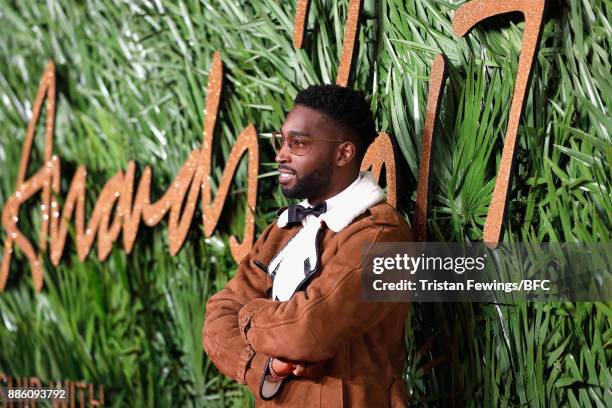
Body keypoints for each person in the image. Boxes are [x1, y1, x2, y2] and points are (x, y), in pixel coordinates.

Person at [202, 84, 413, 407]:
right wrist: (267, 367)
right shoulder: (283, 230)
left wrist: (250, 313)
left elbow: (305, 331)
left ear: (343, 153)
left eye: (298, 143)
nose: (281, 155)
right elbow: (217, 315)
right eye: (281, 141)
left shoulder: (381, 236)